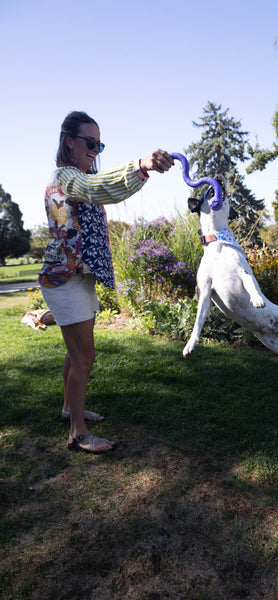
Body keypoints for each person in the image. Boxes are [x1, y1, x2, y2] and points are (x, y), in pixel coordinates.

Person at [38, 111, 174, 454]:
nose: (96, 150)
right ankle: (77, 433)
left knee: (76, 354)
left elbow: (100, 190)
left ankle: (71, 409)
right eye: (90, 142)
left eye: (100, 144)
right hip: (64, 279)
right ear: (69, 141)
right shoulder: (68, 178)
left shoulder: (78, 176)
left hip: (76, 277)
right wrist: (141, 165)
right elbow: (98, 188)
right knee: (84, 357)